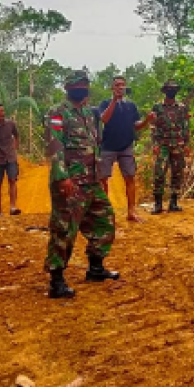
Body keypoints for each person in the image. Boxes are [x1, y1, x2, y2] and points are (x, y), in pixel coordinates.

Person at [43, 69, 120, 299]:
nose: (82, 88)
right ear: (68, 89)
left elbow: (95, 143)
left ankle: (96, 268)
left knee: (104, 221)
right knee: (64, 230)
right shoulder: (57, 113)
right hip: (70, 183)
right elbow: (54, 146)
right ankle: (56, 280)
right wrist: (62, 177)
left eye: (84, 85)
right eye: (77, 85)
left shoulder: (89, 113)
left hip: (92, 181)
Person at [97, 76, 155, 222]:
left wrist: (147, 120)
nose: (120, 87)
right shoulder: (105, 103)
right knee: (103, 179)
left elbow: (137, 125)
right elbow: (104, 119)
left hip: (126, 146)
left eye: (122, 85)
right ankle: (106, 213)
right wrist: (114, 101)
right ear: (112, 88)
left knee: (130, 178)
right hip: (107, 146)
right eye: (117, 85)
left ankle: (131, 212)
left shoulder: (131, 106)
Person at [149, 80, 190, 214]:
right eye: (169, 89)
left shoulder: (182, 107)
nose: (171, 91)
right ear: (165, 91)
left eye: (174, 89)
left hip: (178, 144)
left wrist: (187, 144)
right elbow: (153, 126)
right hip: (163, 145)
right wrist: (155, 144)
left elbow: (186, 126)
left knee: (177, 173)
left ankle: (173, 203)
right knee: (159, 173)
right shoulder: (157, 107)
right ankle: (158, 204)